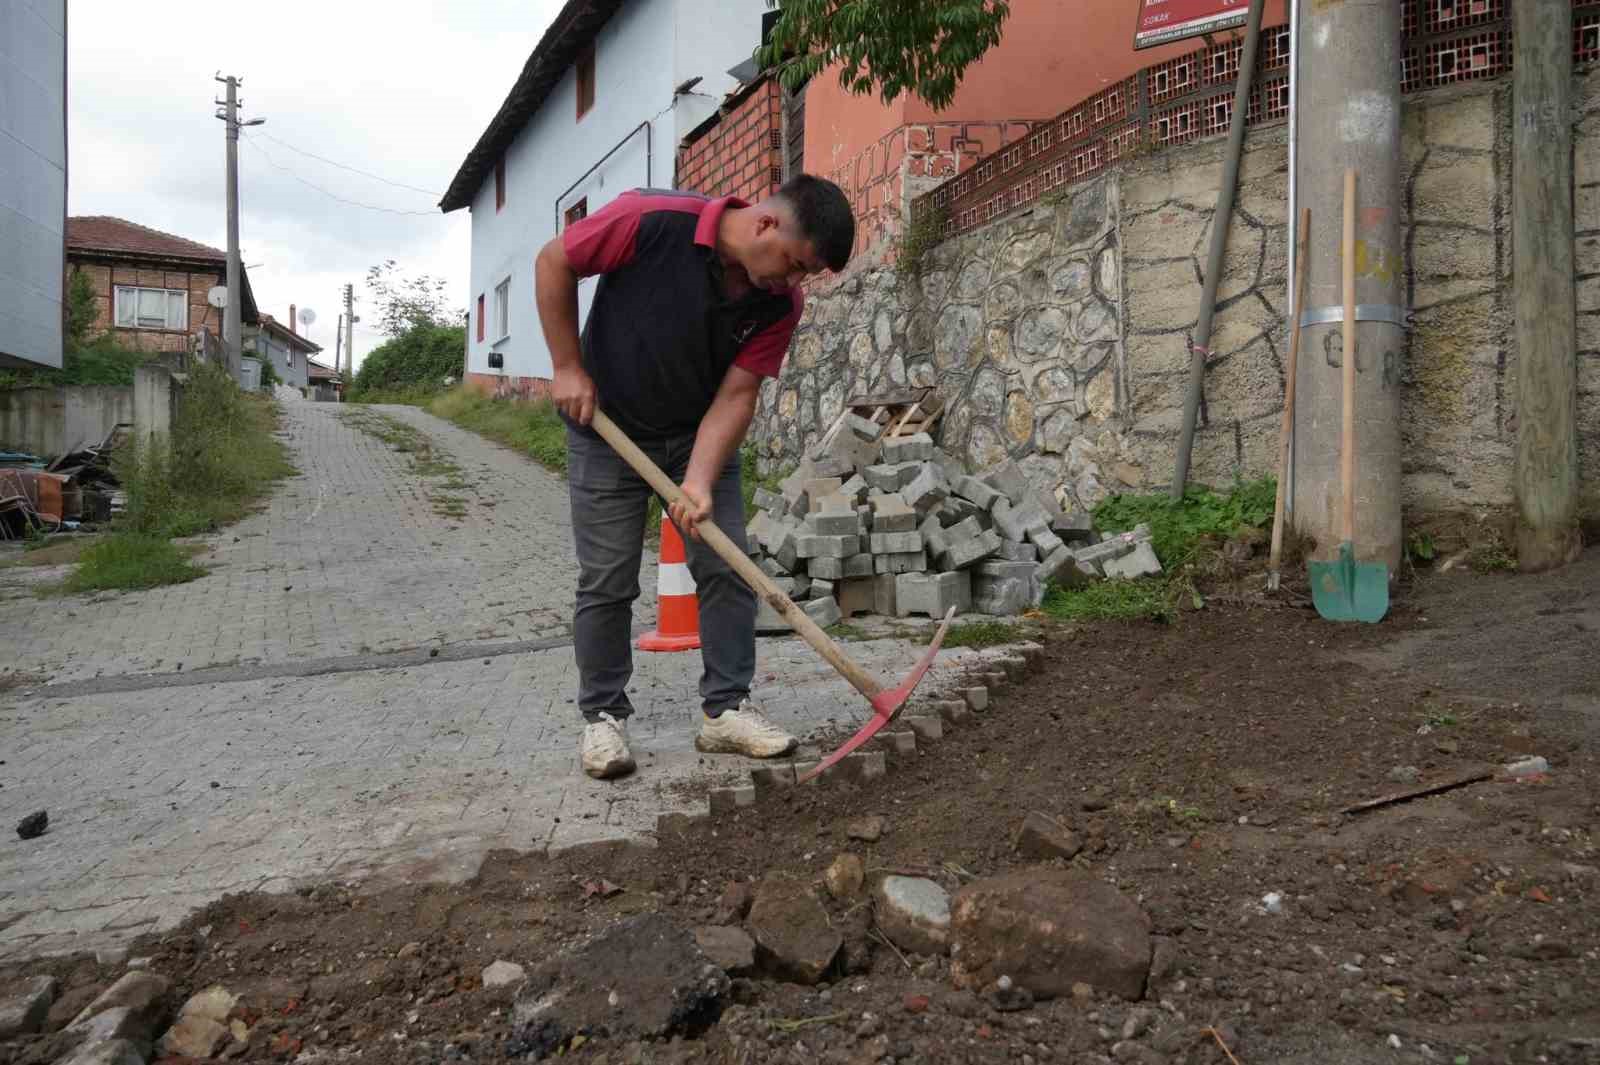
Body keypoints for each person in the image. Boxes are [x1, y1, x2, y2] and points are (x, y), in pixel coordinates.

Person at [534, 175, 856, 780]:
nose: (792, 282)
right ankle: (603, 718)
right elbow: (555, 261)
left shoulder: (778, 303)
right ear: (766, 224)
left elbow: (738, 394)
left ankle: (726, 711)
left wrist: (700, 480)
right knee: (607, 579)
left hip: (695, 432)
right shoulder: (651, 219)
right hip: (607, 424)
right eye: (793, 264)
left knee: (728, 564)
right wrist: (566, 367)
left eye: (804, 275)